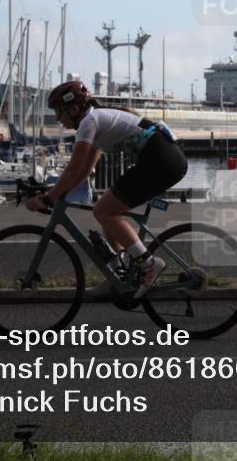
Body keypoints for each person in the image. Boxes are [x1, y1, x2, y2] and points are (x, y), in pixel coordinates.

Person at [25, 80, 188, 299]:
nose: (58, 119)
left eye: (59, 112)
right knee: (109, 218)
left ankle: (149, 264)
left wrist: (49, 197)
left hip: (160, 161)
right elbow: (83, 172)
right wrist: (55, 192)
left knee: (103, 211)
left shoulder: (89, 121)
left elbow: (73, 168)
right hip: (163, 160)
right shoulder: (95, 121)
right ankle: (118, 277)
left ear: (73, 109)